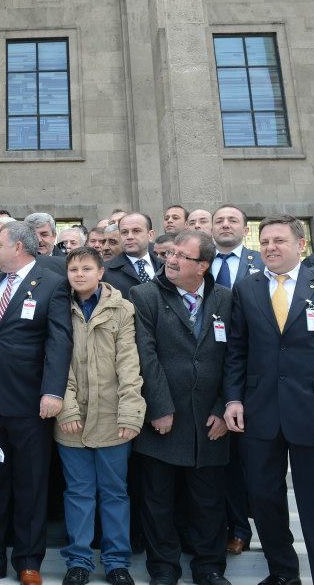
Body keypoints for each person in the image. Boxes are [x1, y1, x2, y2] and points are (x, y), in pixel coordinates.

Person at [223, 214, 314, 585]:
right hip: (260, 415)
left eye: (279, 241)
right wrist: (233, 400)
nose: (270, 248)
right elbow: (236, 351)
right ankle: (283, 573)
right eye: (265, 242)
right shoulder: (247, 288)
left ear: (300, 245)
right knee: (265, 501)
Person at [129, 230, 233, 585]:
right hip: (163, 418)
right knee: (158, 501)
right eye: (169, 254)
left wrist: (223, 407)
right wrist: (159, 407)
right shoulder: (145, 296)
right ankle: (163, 569)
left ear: (203, 265)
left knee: (208, 501)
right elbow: (146, 355)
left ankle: (209, 567)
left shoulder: (225, 299)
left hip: (210, 421)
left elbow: (236, 359)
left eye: (181, 257)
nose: (170, 260)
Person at [0, 221, 72, 585]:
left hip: (30, 401)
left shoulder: (52, 284)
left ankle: (28, 562)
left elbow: (59, 341)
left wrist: (53, 391)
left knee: (30, 482)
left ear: (18, 246)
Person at [56, 247, 144, 585]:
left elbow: (129, 363)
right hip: (72, 418)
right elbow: (57, 362)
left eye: (86, 268)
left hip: (112, 416)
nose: (79, 274)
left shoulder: (121, 309)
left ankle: (116, 561)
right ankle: (78, 561)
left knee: (114, 491)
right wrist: (67, 407)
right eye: (73, 268)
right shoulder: (60, 308)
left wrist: (130, 412)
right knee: (78, 492)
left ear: (101, 272)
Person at [209, 204, 262, 554]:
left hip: (254, 372)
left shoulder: (262, 262)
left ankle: (251, 527)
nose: (225, 225)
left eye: (233, 220)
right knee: (221, 462)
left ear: (245, 229)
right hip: (211, 369)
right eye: (219, 220)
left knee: (249, 460)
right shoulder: (197, 262)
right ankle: (230, 528)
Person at [103, 213, 163, 298]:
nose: (129, 236)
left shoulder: (165, 267)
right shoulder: (105, 272)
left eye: (136, 231)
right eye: (124, 232)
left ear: (150, 235)